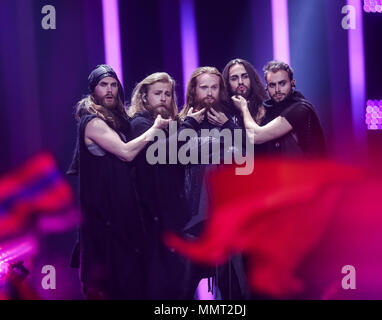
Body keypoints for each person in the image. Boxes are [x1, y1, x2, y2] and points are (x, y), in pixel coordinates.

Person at [67, 64, 169, 299]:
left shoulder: (114, 121)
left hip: (119, 223)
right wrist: (154, 128)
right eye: (104, 85)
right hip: (103, 227)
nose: (110, 90)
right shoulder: (92, 122)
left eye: (113, 85)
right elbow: (125, 152)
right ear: (93, 90)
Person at [128, 72, 204, 299]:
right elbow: (161, 151)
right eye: (157, 93)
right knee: (162, 288)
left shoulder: (172, 126)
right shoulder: (140, 123)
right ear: (145, 97)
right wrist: (190, 123)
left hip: (175, 217)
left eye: (168, 94)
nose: (163, 98)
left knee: (181, 286)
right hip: (152, 221)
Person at [180, 66, 249, 300]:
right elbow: (175, 153)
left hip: (226, 221)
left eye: (214, 87)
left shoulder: (233, 121)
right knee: (181, 291)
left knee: (234, 292)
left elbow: (247, 154)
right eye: (204, 88)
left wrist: (229, 126)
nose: (209, 93)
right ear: (194, 91)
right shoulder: (182, 122)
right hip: (192, 222)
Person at [232, 60, 326, 157]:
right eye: (272, 85)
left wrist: (244, 107)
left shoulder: (300, 109)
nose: (277, 90)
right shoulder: (267, 109)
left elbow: (255, 136)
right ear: (266, 87)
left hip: (309, 171)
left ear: (292, 83)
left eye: (282, 83)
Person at [222, 58, 268, 126]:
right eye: (234, 78)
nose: (240, 82)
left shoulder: (265, 108)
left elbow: (255, 136)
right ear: (227, 83)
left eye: (245, 77)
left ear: (252, 79)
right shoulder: (222, 111)